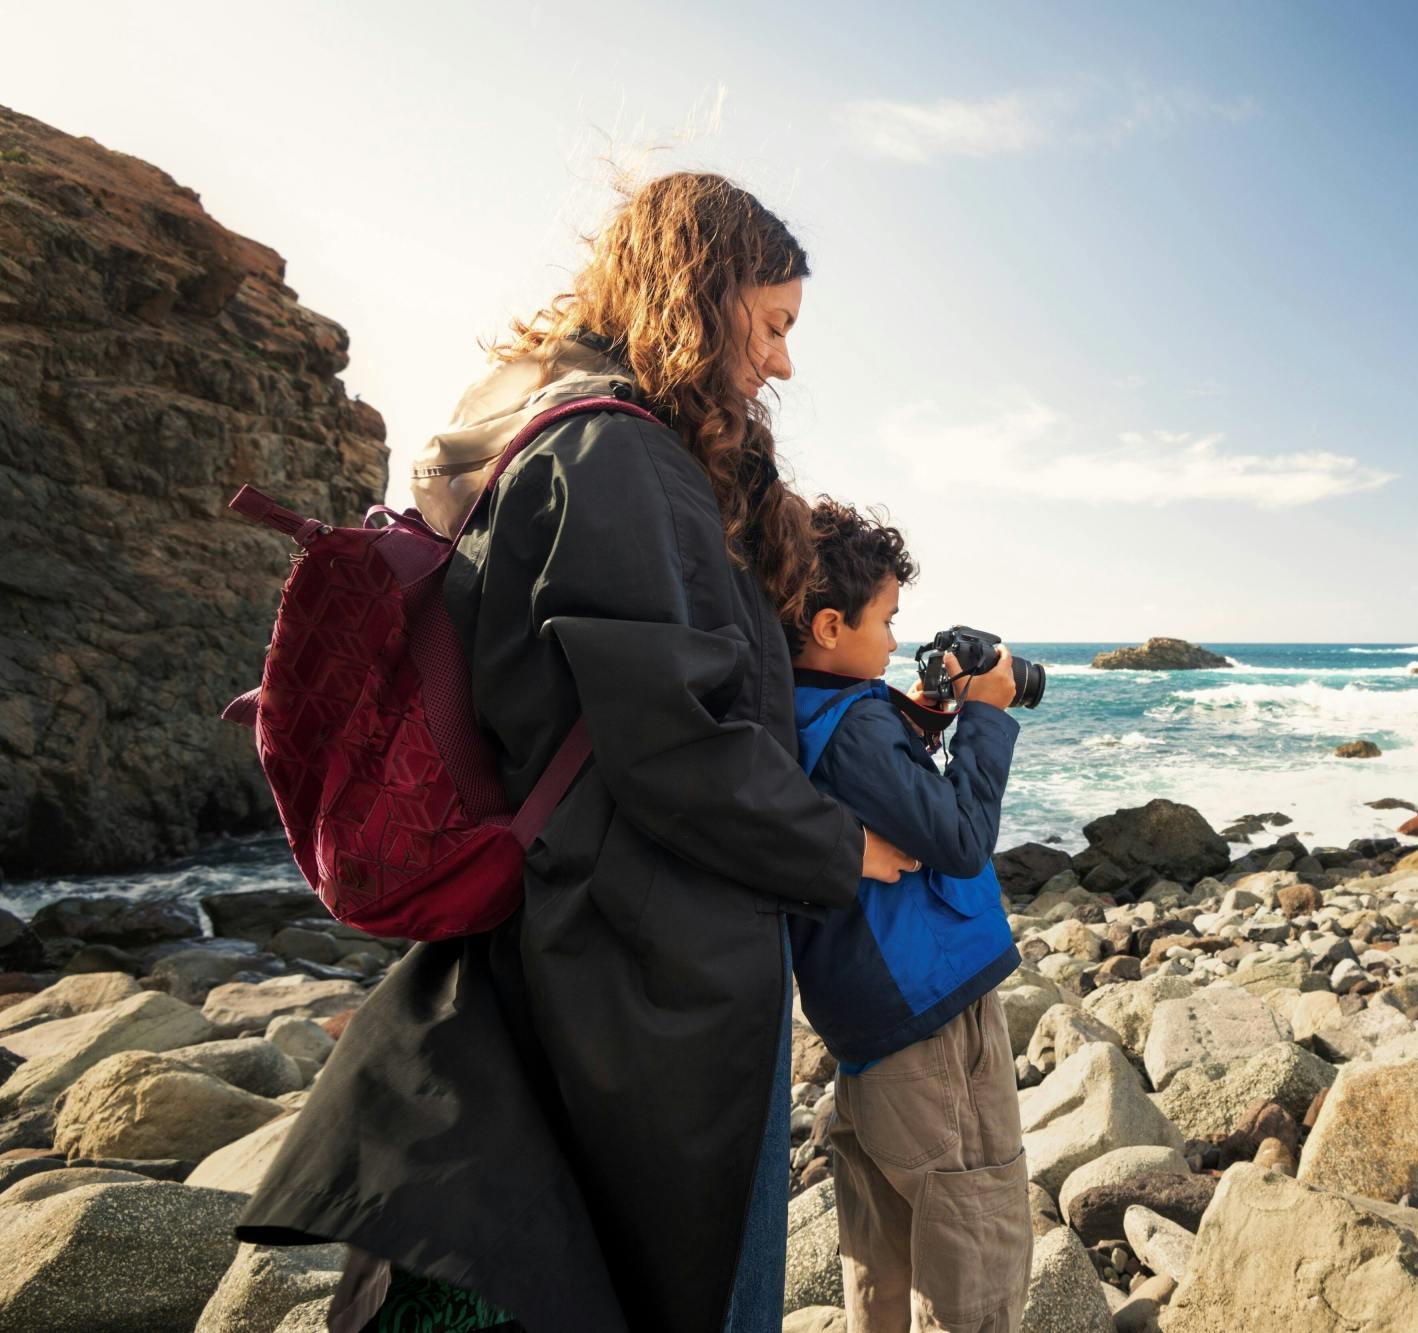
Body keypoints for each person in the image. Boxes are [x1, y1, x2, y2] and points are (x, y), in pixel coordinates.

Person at [236, 173, 920, 1332]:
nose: (783, 364)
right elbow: (674, 747)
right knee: (682, 1282)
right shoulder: (618, 456)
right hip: (641, 961)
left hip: (583, 934)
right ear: (700, 301)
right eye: (772, 326)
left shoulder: (567, 433)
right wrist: (840, 843)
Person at [787, 501, 1032, 1332]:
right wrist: (989, 712)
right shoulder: (853, 725)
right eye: (886, 621)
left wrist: (923, 710)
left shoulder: (800, 705)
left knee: (883, 1250)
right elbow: (959, 838)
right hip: (927, 1009)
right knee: (974, 1231)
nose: (894, 640)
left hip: (866, 1017)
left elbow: (884, 783)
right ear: (828, 624)